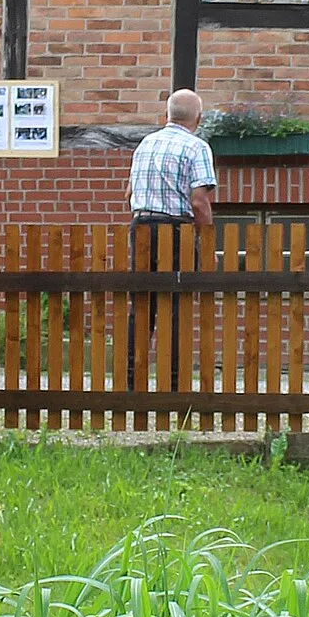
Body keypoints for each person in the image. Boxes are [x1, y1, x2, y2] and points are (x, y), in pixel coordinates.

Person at [127, 89, 216, 394]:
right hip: (176, 230)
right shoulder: (197, 147)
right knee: (177, 306)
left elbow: (128, 194)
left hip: (140, 226)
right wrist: (207, 242)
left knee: (142, 305)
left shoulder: (144, 145)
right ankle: (174, 382)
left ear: (165, 115)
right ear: (198, 118)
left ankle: (132, 381)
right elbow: (199, 202)